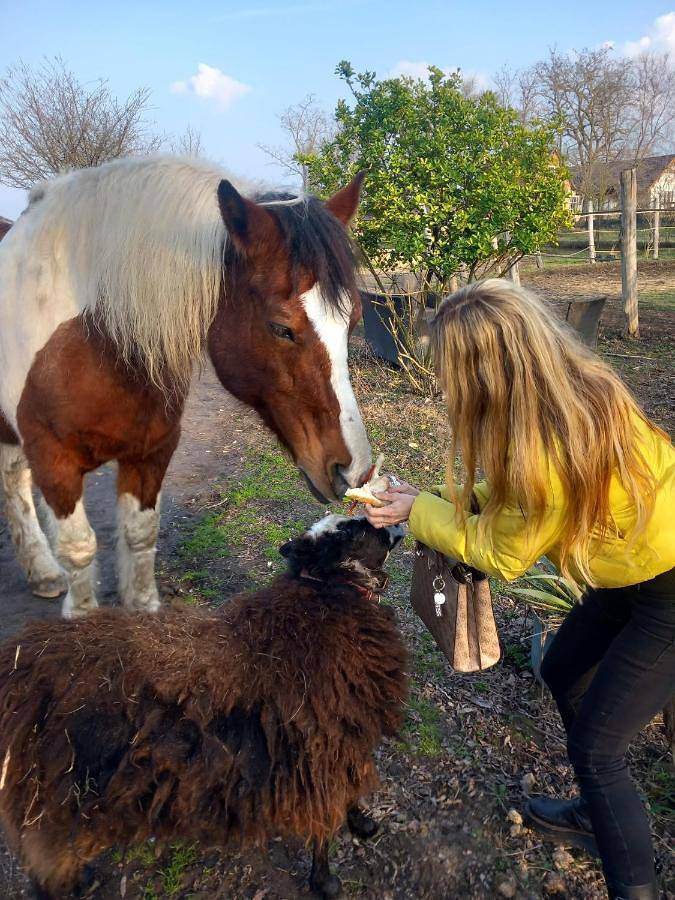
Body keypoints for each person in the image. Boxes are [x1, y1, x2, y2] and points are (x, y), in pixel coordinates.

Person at [364, 279, 675, 900]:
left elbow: (501, 552)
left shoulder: (546, 439)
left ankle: (630, 881)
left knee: (597, 748)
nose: (446, 384)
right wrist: (429, 501)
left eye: (452, 368)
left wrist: (416, 512)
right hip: (635, 566)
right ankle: (600, 811)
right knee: (563, 670)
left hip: (668, 588)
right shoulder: (563, 392)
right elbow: (520, 502)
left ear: (488, 370)